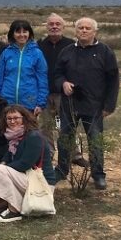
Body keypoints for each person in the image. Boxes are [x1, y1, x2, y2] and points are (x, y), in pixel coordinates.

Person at [53, 17, 120, 190]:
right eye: (80, 28)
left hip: (94, 106)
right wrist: (63, 83)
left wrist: (109, 106)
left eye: (87, 28)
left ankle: (98, 175)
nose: (83, 31)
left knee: (95, 140)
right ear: (75, 31)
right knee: (65, 138)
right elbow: (57, 74)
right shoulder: (67, 51)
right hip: (69, 104)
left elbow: (113, 80)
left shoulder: (105, 52)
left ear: (94, 32)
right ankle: (61, 170)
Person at [0, 106, 56, 222]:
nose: (12, 121)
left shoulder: (33, 136)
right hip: (26, 178)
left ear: (24, 118)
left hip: (41, 183)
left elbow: (25, 164)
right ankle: (13, 204)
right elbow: (8, 155)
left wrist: (3, 168)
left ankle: (14, 210)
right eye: (9, 119)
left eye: (16, 118)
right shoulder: (15, 137)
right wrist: (3, 164)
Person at [0, 20, 48, 117]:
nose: (21, 35)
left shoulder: (37, 54)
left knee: (28, 131)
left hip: (29, 103)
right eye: (18, 32)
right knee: (7, 130)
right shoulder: (6, 53)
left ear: (29, 33)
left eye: (25, 31)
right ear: (12, 34)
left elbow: (42, 80)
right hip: (6, 102)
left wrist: (40, 103)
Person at [38, 13, 74, 144]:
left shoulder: (71, 45)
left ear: (63, 27)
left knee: (67, 125)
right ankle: (48, 154)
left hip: (63, 93)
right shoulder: (40, 45)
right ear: (46, 27)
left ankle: (73, 154)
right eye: (51, 24)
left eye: (57, 24)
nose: (54, 27)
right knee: (45, 126)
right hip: (44, 93)